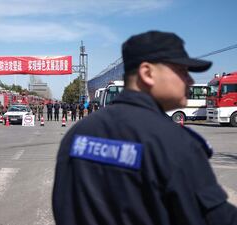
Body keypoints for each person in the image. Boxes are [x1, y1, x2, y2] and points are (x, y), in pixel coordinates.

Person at [52, 30, 237, 225]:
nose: (190, 81)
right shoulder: (176, 144)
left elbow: (63, 206)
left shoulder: (77, 135)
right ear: (148, 73)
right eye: (182, 71)